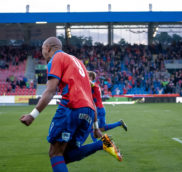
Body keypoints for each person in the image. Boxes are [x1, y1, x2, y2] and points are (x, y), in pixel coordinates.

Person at [20, 37, 122, 172]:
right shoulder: (79, 63)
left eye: (43, 48)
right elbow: (90, 98)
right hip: (89, 112)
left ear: (49, 47)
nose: (42, 52)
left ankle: (101, 145)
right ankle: (102, 144)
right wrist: (96, 127)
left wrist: (32, 115)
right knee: (65, 156)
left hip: (71, 108)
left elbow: (50, 91)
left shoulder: (56, 58)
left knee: (55, 153)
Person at [88, 71, 127, 142]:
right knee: (102, 128)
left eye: (88, 76)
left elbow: (89, 83)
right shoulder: (92, 87)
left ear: (91, 77)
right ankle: (119, 123)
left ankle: (99, 143)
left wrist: (82, 73)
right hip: (99, 109)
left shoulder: (95, 85)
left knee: (92, 128)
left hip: (98, 110)